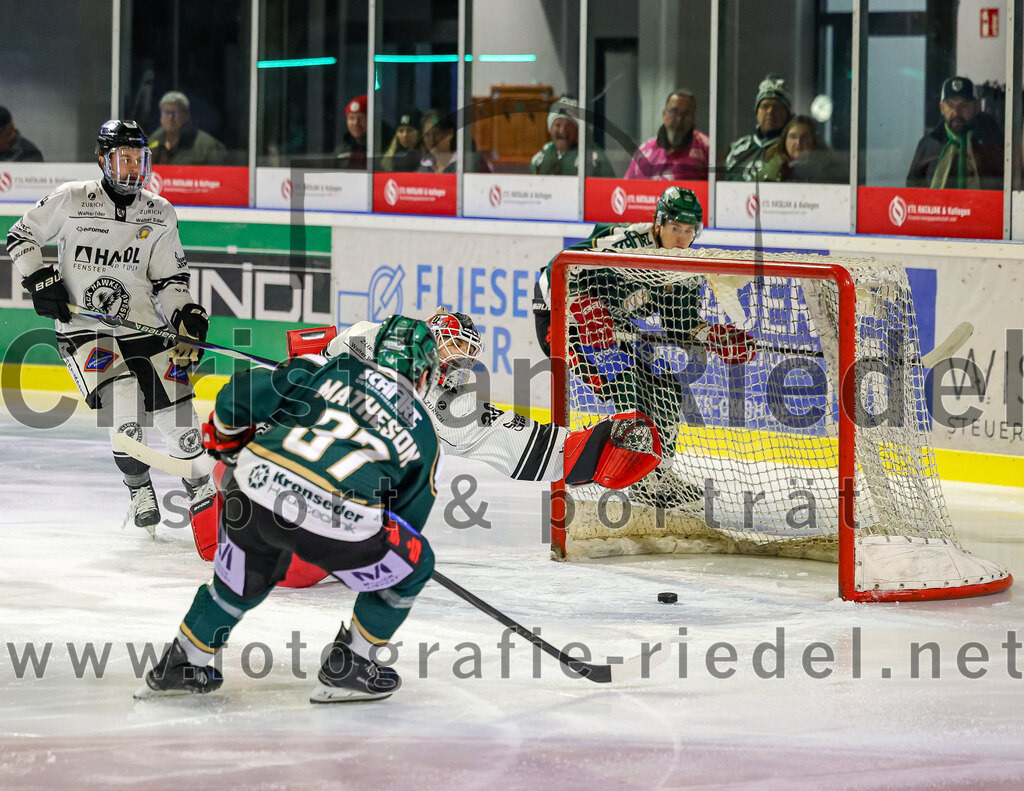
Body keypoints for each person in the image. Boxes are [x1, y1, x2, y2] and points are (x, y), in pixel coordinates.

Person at [138, 316, 442, 702]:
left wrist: (227, 439)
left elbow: (239, 394)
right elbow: (405, 524)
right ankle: (353, 665)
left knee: (244, 575)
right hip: (331, 524)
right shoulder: (426, 436)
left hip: (250, 494)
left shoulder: (328, 367)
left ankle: (183, 661)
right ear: (425, 371)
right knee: (415, 564)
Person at [6, 120, 215, 543]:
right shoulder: (71, 198)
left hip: (145, 330)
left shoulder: (160, 212)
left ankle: (203, 492)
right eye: (123, 157)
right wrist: (39, 279)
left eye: (138, 158)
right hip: (84, 329)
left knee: (183, 426)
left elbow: (170, 284)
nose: (132, 167)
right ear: (103, 159)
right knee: (125, 407)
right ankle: (139, 488)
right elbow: (21, 236)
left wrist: (186, 316)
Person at [532, 187, 756, 509]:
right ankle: (632, 474)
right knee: (628, 387)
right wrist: (578, 304)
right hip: (562, 318)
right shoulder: (626, 242)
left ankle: (657, 476)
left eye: (689, 230)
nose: (681, 238)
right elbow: (560, 265)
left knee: (666, 389)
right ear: (658, 224)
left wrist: (712, 335)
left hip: (612, 330)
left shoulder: (684, 268)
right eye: (675, 228)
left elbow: (679, 322)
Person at [322, 309, 653, 487]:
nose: (461, 361)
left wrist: (586, 449)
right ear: (432, 338)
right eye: (455, 346)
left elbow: (501, 430)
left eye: (469, 354)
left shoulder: (444, 401)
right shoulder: (369, 336)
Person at [906, 76, 1003, 190]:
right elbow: (911, 192)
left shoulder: (990, 144)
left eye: (964, 105)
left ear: (976, 107)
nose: (956, 112)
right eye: (950, 105)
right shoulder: (928, 146)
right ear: (942, 108)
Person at [624, 90, 709, 180]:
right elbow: (626, 188)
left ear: (694, 118)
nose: (679, 119)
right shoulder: (645, 151)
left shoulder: (706, 148)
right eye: (674, 112)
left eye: (686, 114)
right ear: (664, 114)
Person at [723, 74, 792, 181]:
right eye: (765, 106)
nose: (770, 112)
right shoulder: (737, 149)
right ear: (757, 111)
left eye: (776, 107)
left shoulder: (793, 147)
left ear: (786, 113)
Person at [529, 97, 614, 177]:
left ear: (577, 130)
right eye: (558, 125)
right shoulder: (541, 158)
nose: (562, 131)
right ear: (550, 128)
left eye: (568, 126)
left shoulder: (594, 158)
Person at [758, 114, 846, 184]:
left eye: (804, 137)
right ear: (784, 140)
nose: (798, 142)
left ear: (814, 141)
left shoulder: (829, 169)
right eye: (793, 137)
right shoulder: (770, 166)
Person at [148, 91, 227, 166]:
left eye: (176, 113)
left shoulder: (207, 146)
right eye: (166, 113)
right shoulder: (153, 142)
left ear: (187, 115)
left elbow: (218, 177)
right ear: (160, 117)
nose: (170, 118)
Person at [417, 109, 490, 174]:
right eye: (427, 135)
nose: (431, 139)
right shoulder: (424, 167)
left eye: (437, 133)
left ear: (450, 133)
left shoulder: (470, 162)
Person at [381, 108, 423, 172]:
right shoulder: (391, 158)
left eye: (409, 130)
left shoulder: (426, 158)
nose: (405, 135)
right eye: (401, 131)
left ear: (420, 133)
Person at [335, 94, 369, 170]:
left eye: (361, 118)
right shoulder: (342, 149)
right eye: (351, 118)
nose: (356, 123)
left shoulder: (381, 148)